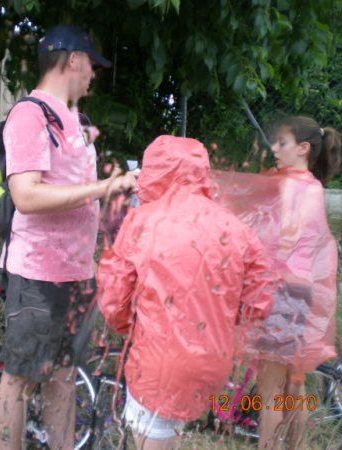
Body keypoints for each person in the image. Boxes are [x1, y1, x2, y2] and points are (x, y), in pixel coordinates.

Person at [0, 24, 137, 450]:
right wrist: (102, 188)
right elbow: (27, 195)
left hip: (77, 274)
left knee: (64, 377)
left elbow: (82, 197)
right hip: (38, 276)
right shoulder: (30, 115)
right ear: (73, 59)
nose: (94, 75)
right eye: (92, 65)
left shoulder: (75, 121)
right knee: (19, 380)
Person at [97, 135, 276, 450]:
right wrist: (218, 320)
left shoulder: (142, 222)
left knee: (152, 437)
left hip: (158, 362)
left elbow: (114, 301)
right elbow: (259, 302)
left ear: (154, 172)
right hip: (213, 362)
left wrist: (132, 328)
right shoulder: (235, 228)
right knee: (171, 431)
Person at [215, 116, 341, 449]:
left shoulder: (289, 187)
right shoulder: (311, 186)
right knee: (292, 385)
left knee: (270, 389)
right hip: (298, 293)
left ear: (303, 148)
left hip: (280, 293)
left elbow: (267, 234)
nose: (274, 148)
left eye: (282, 143)